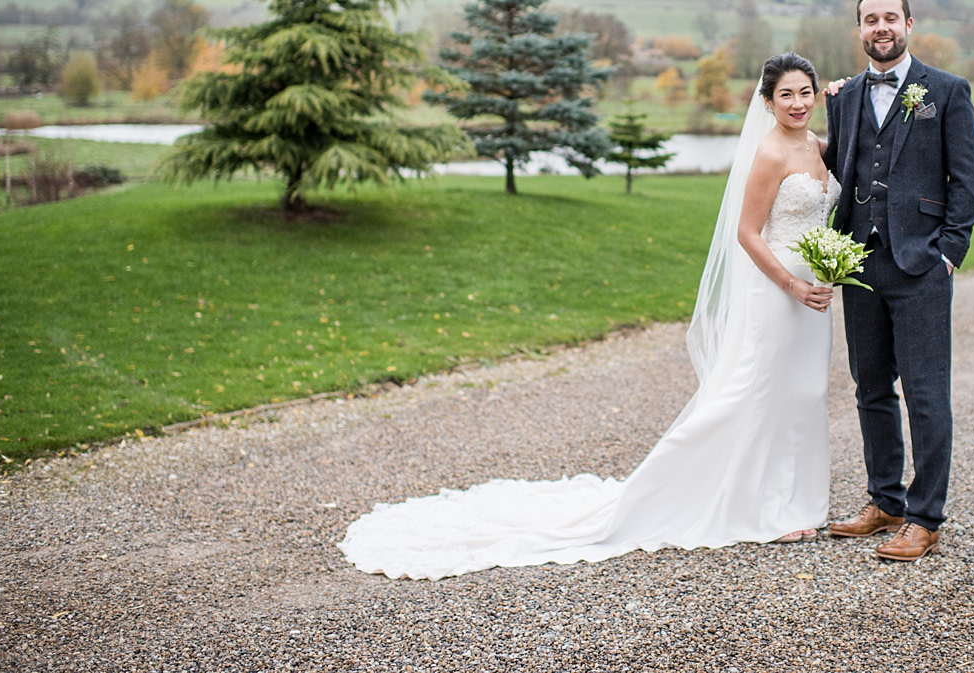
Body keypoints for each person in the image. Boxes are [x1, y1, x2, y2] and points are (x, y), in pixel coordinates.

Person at [338, 53, 838, 578]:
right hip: (780, 288)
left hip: (816, 292)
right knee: (758, 391)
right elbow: (747, 233)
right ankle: (741, 503)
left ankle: (799, 504)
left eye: (806, 92)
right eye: (786, 94)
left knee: (804, 393)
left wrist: (825, 272)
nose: (798, 102)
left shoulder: (817, 147)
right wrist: (790, 283)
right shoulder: (768, 153)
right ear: (767, 101)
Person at [822, 0, 974, 561]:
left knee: (926, 394)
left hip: (920, 265)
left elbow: (966, 182)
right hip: (860, 263)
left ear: (909, 24)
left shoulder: (946, 91)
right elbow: (837, 168)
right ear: (860, 29)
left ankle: (925, 516)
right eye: (870, 19)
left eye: (890, 17)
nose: (880, 27)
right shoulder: (842, 97)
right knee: (871, 389)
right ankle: (884, 500)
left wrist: (947, 252)